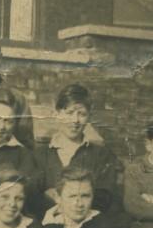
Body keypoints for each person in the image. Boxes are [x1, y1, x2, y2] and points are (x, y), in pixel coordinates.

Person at [35, 84, 119, 216]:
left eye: (82, 114)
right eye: (69, 113)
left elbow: (104, 197)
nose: (75, 120)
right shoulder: (40, 155)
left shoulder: (101, 155)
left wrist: (61, 199)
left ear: (89, 117)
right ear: (57, 114)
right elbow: (32, 197)